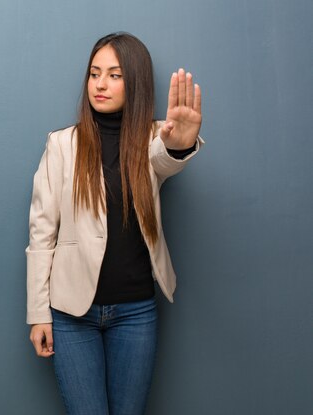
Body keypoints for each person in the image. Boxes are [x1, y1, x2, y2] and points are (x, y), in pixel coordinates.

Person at [25, 32, 204, 415]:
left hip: (136, 313)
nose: (100, 84)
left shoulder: (155, 137)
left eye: (115, 75)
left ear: (135, 81)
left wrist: (180, 145)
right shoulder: (61, 145)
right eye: (94, 73)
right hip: (72, 316)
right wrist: (38, 313)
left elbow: (164, 160)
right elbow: (42, 234)